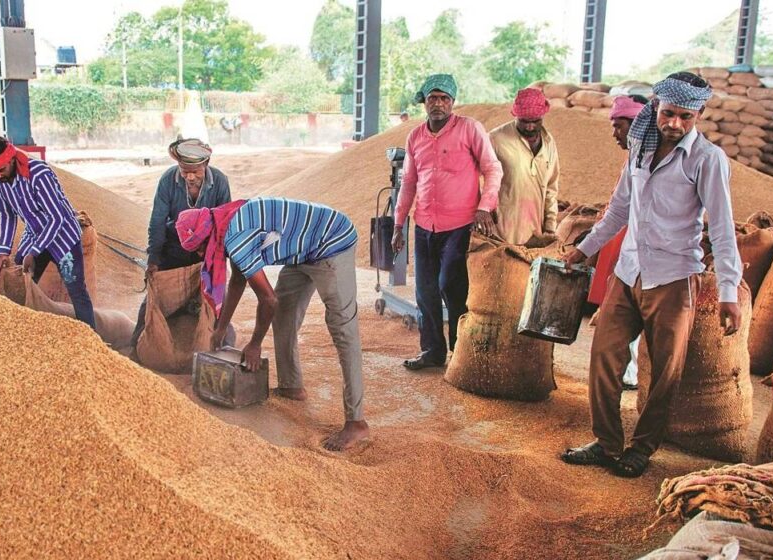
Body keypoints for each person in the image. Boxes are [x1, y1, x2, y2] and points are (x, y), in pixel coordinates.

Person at [560, 72, 743, 478]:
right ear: (655, 108)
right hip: (628, 272)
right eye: (668, 113)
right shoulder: (639, 147)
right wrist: (584, 249)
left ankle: (642, 448)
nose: (674, 123)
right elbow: (619, 210)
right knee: (604, 354)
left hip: (675, 277)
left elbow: (723, 228)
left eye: (686, 117)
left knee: (664, 371)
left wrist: (728, 290)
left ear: (699, 115)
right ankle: (606, 442)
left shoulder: (707, 160)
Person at [175, 197, 367, 451]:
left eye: (200, 248)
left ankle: (356, 422)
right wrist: (220, 327)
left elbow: (268, 299)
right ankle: (291, 387)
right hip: (302, 249)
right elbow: (238, 280)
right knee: (284, 315)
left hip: (331, 241)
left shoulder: (236, 237)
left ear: (206, 235)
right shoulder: (224, 222)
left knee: (343, 329)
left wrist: (254, 344)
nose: (201, 255)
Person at [392, 73, 503, 370]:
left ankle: (459, 352)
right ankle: (432, 351)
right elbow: (409, 182)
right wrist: (398, 223)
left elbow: (493, 168)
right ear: (424, 102)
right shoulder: (415, 136)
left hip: (460, 224)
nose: (438, 104)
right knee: (425, 291)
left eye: (444, 98)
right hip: (425, 224)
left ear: (453, 102)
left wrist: (485, 206)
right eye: (433, 98)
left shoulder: (470, 129)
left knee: (451, 288)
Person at [0, 134, 96, 329]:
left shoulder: (39, 174)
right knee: (18, 285)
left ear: (11, 159)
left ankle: (93, 339)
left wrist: (34, 251)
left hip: (63, 235)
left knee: (76, 289)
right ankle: (22, 333)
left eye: (0, 170)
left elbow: (56, 218)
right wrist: (2, 251)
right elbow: (6, 215)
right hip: (35, 234)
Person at [130, 138, 233, 348]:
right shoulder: (168, 179)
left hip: (206, 253)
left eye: (195, 171)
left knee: (217, 302)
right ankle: (135, 346)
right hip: (173, 248)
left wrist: (213, 257)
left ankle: (223, 347)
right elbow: (157, 222)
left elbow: (224, 223)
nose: (189, 176)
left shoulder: (220, 182)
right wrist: (154, 259)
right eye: (184, 171)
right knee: (154, 298)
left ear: (206, 164)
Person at [588, 95, 649, 390]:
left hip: (652, 258)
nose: (615, 133)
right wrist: (584, 247)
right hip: (627, 248)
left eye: (620, 126)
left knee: (638, 316)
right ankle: (626, 371)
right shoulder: (633, 159)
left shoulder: (664, 157)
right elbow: (618, 210)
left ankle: (634, 372)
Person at [490, 88, 560, 246]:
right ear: (515, 115)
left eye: (535, 121)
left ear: (543, 116)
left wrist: (550, 227)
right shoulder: (495, 139)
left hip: (536, 233)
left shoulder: (549, 142)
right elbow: (477, 180)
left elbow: (551, 187)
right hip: (503, 232)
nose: (530, 127)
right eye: (524, 121)